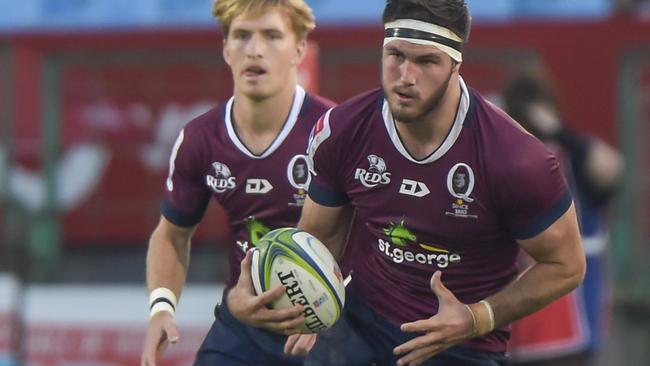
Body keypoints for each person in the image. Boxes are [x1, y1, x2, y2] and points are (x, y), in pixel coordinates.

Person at [291, 1, 586, 365]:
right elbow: (319, 236)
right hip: (360, 327)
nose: (405, 76)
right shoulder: (341, 130)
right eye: (395, 54)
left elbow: (567, 265)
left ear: (456, 65)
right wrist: (306, 298)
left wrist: (478, 317)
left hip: (462, 347)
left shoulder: (515, 158)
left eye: (427, 61)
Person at [140, 1, 335, 365]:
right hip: (245, 319)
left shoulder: (335, 130)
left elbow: (377, 235)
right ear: (226, 49)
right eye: (242, 35)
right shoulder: (200, 138)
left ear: (299, 49)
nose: (255, 49)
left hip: (329, 325)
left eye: (272, 36)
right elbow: (171, 234)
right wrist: (161, 308)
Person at [503, 72, 623, 365]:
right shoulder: (503, 163)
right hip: (514, 327)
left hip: (571, 326)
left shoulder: (573, 160)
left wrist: (557, 129)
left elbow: (611, 168)